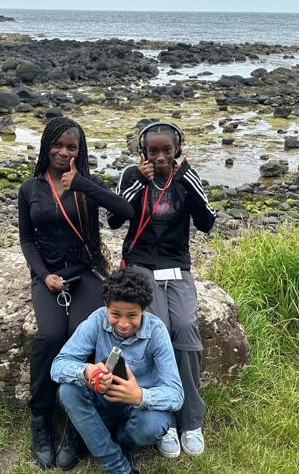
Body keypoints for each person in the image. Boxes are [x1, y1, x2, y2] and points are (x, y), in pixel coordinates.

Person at [18, 117, 135, 469]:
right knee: (51, 335)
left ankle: (75, 425)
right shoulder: (30, 188)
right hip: (49, 276)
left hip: (85, 272)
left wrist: (83, 184)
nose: (64, 152)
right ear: (46, 146)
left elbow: (126, 211)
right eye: (57, 144)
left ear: (80, 151)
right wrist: (44, 276)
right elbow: (27, 240)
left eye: (72, 147)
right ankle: (41, 416)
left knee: (82, 336)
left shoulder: (86, 184)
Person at [108, 121, 216, 458]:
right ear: (143, 152)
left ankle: (191, 418)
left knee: (184, 326)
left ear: (176, 150)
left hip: (176, 264)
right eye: (153, 151)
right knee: (157, 329)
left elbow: (207, 223)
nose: (159, 158)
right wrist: (139, 183)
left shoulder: (186, 178)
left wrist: (188, 180)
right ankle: (163, 415)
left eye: (166, 151)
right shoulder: (131, 175)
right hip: (140, 263)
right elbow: (114, 220)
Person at [51, 267, 184, 474]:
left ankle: (119, 439)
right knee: (68, 391)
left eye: (132, 315)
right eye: (115, 314)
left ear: (144, 310)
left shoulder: (156, 331)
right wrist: (87, 371)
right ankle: (115, 463)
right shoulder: (97, 320)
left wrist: (139, 396)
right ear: (106, 306)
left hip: (136, 408)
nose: (123, 324)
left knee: (154, 425)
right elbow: (58, 366)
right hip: (101, 398)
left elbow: (176, 394)